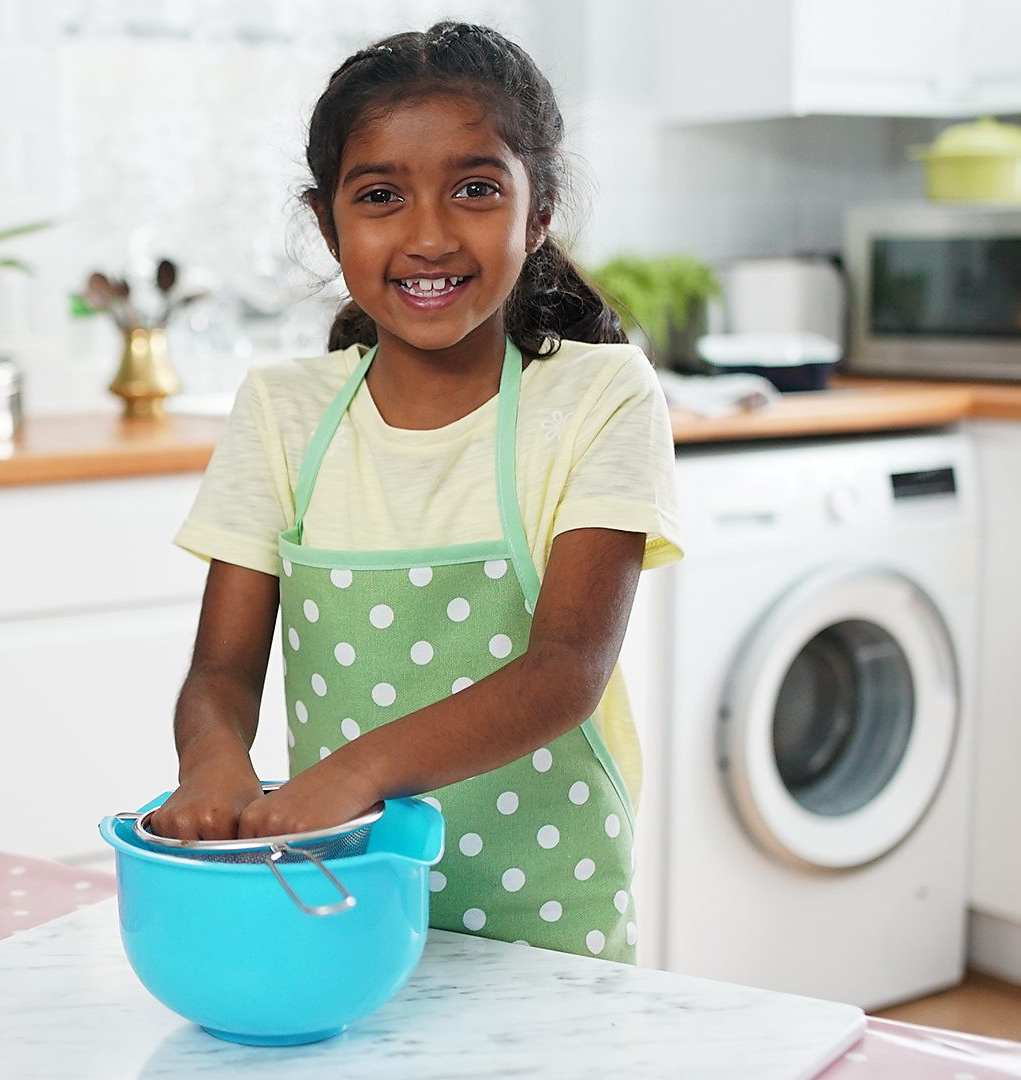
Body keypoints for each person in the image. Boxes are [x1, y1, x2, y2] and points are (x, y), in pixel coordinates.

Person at [157, 21, 682, 961]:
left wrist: (352, 773)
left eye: (476, 189)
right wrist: (211, 762)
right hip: (336, 898)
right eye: (381, 196)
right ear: (329, 224)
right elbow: (222, 674)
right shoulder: (283, 412)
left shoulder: (601, 396)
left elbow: (566, 669)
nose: (430, 235)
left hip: (547, 928)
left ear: (540, 209)